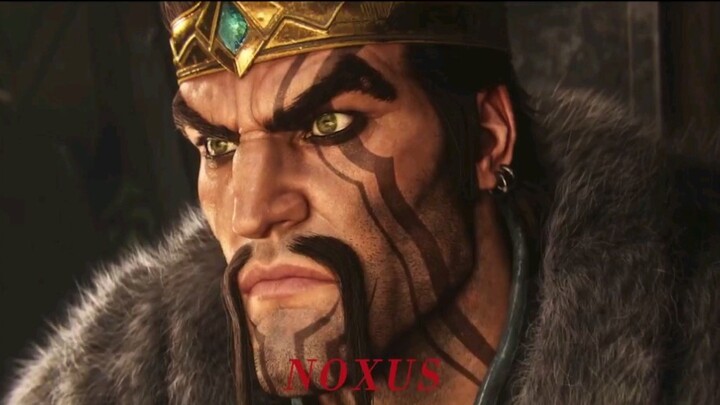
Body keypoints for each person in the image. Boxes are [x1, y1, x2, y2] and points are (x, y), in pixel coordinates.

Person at [4, 2, 719, 404]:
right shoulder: (134, 383)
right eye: (217, 144)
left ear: (486, 138)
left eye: (328, 126)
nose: (252, 210)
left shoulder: (694, 339)